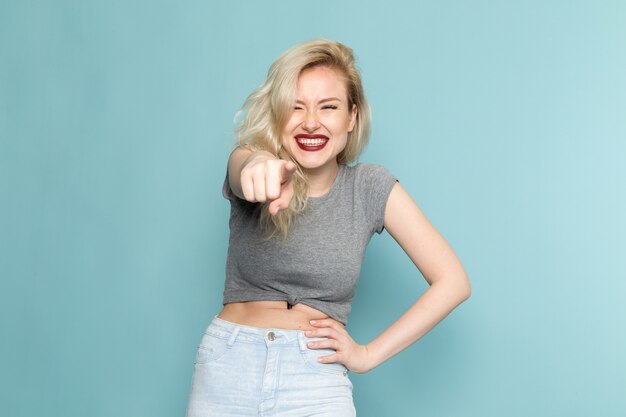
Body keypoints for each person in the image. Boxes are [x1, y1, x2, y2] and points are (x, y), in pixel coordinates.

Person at [185, 39, 471, 417]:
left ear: (352, 117)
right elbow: (245, 169)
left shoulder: (370, 188)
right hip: (229, 366)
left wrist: (367, 354)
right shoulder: (252, 159)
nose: (310, 122)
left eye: (328, 107)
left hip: (314, 379)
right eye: (295, 107)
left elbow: (454, 282)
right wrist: (260, 169)